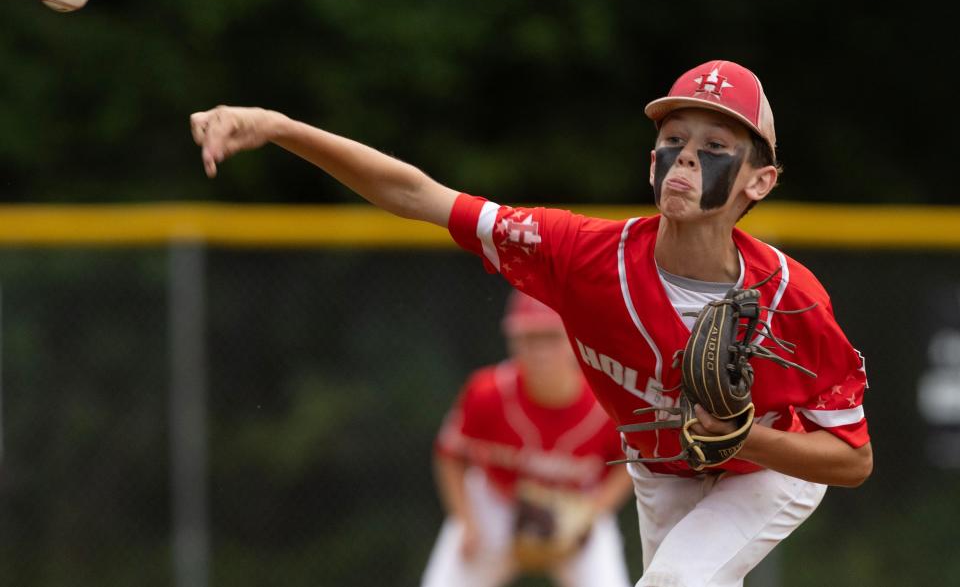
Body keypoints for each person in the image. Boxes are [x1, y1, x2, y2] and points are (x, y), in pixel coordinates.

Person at [191, 59, 873, 587]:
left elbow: (852, 460)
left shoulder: (790, 297)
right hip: (662, 468)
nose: (687, 155)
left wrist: (742, 437)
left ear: (761, 181)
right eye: (672, 138)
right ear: (652, 160)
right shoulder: (580, 254)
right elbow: (417, 194)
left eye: (717, 144)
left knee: (673, 581)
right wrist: (279, 127)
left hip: (766, 467)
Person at [422, 289, 634, 587]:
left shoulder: (605, 401)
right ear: (513, 342)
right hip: (496, 505)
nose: (541, 351)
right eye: (530, 338)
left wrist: (594, 512)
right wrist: (465, 521)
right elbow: (450, 454)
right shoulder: (487, 392)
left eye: (551, 337)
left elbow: (630, 463)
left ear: (574, 339)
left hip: (574, 507)